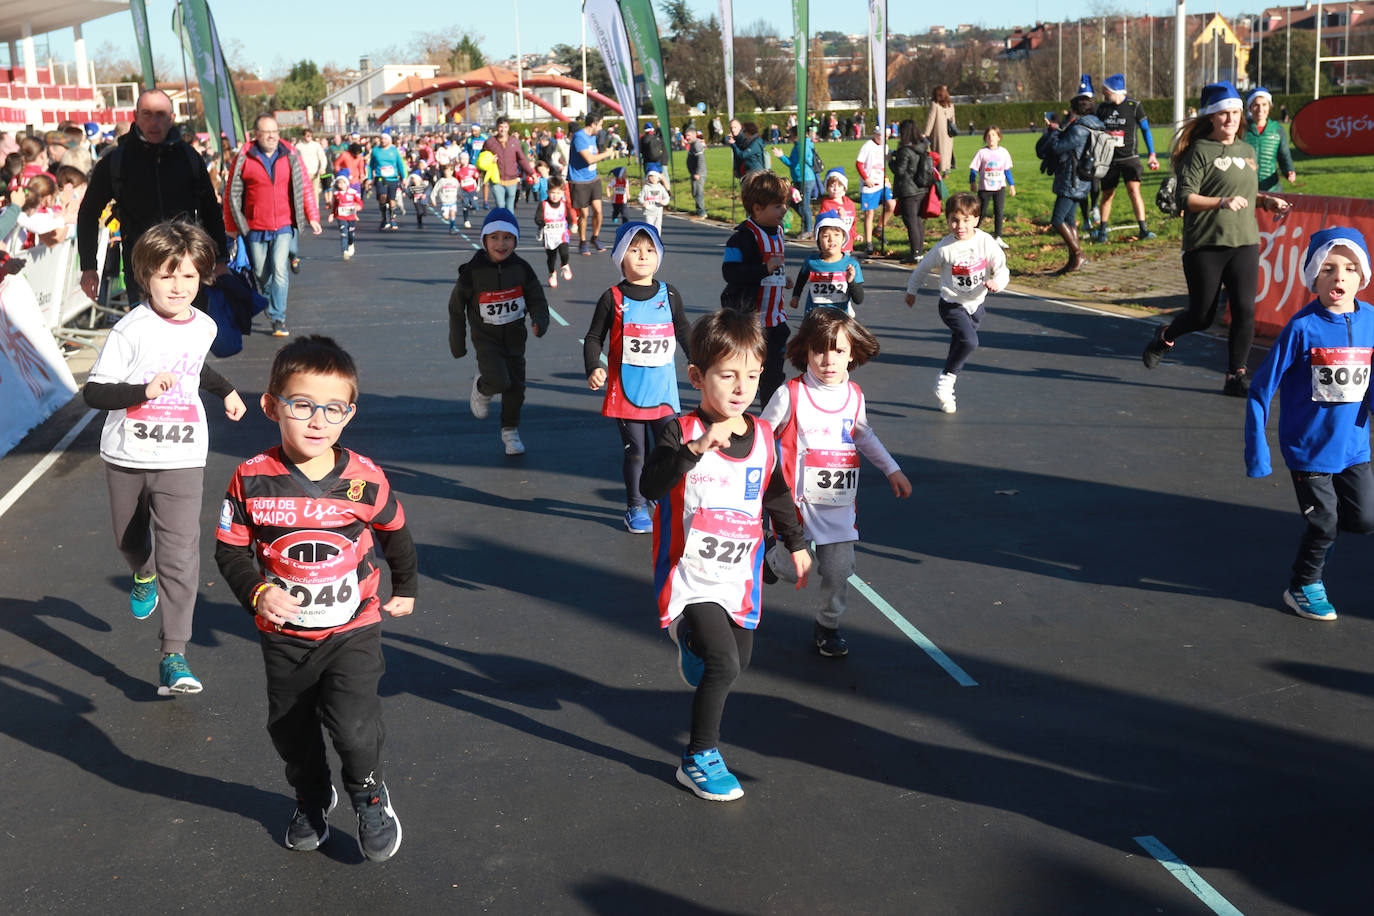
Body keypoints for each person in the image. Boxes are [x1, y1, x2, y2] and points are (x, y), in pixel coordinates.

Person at [214, 334, 417, 861]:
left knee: (352, 725)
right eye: (302, 405)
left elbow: (396, 532)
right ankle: (311, 795)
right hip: (284, 639)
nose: (317, 420)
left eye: (333, 409)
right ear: (271, 406)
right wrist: (257, 592)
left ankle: (369, 794)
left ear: (349, 414)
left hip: (354, 627)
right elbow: (230, 553)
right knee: (290, 730)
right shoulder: (250, 478)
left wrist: (407, 587)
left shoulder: (364, 479)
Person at [639, 309, 812, 802]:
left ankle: (693, 646)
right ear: (697, 376)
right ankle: (698, 757)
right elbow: (652, 484)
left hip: (738, 575)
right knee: (723, 665)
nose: (742, 387)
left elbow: (776, 493)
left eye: (753, 375)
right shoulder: (679, 430)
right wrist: (692, 450)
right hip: (689, 575)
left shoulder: (761, 437)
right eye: (728, 375)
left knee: (740, 658)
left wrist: (794, 542)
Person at [82, 221, 246, 695]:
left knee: (182, 553)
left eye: (190, 277)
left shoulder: (205, 325)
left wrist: (227, 390)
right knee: (130, 540)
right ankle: (142, 571)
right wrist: (142, 390)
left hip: (183, 453)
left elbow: (194, 366)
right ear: (145, 277)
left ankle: (174, 655)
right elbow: (94, 392)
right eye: (168, 276)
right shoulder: (130, 329)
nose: (179, 287)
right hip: (127, 454)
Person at [760, 309, 911, 655]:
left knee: (839, 569)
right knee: (788, 568)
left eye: (838, 351)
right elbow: (763, 437)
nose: (829, 359)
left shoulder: (854, 396)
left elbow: (864, 435)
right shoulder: (790, 394)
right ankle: (770, 558)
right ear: (806, 352)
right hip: (795, 506)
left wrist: (892, 469)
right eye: (819, 350)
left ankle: (828, 626)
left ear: (853, 353)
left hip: (838, 505)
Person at [1244, 228, 1374, 622]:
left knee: (1364, 519)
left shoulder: (1371, 319)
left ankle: (1325, 537)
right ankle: (1303, 586)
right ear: (1314, 276)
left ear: (1362, 277)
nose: (1340, 278)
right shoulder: (1302, 329)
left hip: (1354, 445)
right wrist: (1257, 451)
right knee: (1325, 523)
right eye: (1329, 269)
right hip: (1309, 449)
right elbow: (1261, 389)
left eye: (1350, 269)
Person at [1142, 81, 1291, 396]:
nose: (1232, 119)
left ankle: (1236, 375)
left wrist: (1266, 201)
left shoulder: (1247, 150)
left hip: (1245, 242)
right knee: (1202, 315)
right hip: (1206, 244)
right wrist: (1221, 202)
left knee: (1245, 309)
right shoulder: (1199, 151)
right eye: (1224, 114)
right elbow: (1185, 199)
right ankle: (1166, 336)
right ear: (1211, 117)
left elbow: (1246, 194)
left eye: (1236, 113)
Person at [583, 221, 692, 533]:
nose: (643, 256)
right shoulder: (613, 298)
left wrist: (697, 361)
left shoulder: (670, 294)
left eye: (649, 250)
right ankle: (636, 506)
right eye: (634, 250)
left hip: (664, 393)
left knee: (668, 451)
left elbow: (684, 330)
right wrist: (594, 367)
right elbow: (593, 338)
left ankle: (663, 498)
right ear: (620, 256)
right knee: (637, 454)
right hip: (626, 393)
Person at [77, 89, 230, 304]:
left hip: (186, 265)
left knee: (187, 333)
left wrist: (221, 259)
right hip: (141, 268)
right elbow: (88, 213)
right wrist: (89, 267)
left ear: (171, 119)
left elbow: (210, 210)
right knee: (147, 335)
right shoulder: (116, 161)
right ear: (135, 116)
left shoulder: (189, 158)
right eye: (147, 114)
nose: (154, 122)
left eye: (160, 114)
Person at [447, 208, 550, 455]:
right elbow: (456, 307)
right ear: (484, 241)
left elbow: (537, 299)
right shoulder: (474, 271)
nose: (501, 243)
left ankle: (510, 431)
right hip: (486, 339)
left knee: (516, 387)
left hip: (516, 340)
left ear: (515, 240)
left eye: (507, 237)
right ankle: (483, 386)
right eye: (494, 237)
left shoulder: (522, 269)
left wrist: (540, 320)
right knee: (499, 380)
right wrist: (457, 343)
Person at [904, 192, 1010, 414]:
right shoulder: (945, 248)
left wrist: (997, 283)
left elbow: (1002, 268)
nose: (959, 225)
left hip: (977, 304)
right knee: (970, 341)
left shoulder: (985, 242)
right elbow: (922, 268)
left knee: (960, 345)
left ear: (976, 219)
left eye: (965, 220)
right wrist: (912, 290)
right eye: (954, 219)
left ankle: (945, 384)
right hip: (952, 304)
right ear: (947, 220)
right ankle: (945, 382)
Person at [223, 115, 322, 338]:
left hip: (284, 224)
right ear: (255, 134)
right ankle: (268, 302)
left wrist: (312, 215)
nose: (272, 136)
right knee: (261, 274)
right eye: (266, 132)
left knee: (279, 271)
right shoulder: (244, 158)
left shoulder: (289, 155)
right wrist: (231, 225)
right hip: (255, 225)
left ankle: (278, 317)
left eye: (275, 131)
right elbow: (231, 194)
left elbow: (304, 186)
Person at [722, 170, 792, 410]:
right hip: (751, 320)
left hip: (776, 318)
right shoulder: (742, 238)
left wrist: (783, 278)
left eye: (785, 204)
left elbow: (774, 268)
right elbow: (730, 273)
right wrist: (763, 269)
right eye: (778, 206)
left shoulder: (779, 232)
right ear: (758, 208)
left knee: (774, 372)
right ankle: (732, 409)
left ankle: (770, 417)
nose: (784, 210)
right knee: (746, 370)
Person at [1035, 75, 1105, 274]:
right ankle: (1075, 258)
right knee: (1069, 218)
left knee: (1057, 220)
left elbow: (1057, 148)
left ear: (1076, 110)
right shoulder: (1097, 124)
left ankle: (1078, 254)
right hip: (1085, 177)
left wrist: (1055, 130)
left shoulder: (1079, 129)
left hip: (1071, 178)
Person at [1093, 74, 1158, 244]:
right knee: (1107, 194)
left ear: (1114, 91)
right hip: (1108, 160)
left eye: (1105, 91)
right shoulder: (1102, 108)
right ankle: (1102, 231)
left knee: (1134, 192)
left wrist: (1152, 154)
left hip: (1129, 158)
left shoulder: (1134, 106)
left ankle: (1143, 229)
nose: (1103, 94)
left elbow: (1146, 130)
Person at [789, 211, 864, 317]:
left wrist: (851, 281)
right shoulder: (811, 262)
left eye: (837, 235)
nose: (831, 239)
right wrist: (795, 296)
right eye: (825, 236)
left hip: (839, 318)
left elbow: (859, 299)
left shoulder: (851, 265)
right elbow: (801, 279)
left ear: (843, 238)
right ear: (818, 240)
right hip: (814, 316)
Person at [568, 112, 621, 255]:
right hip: (579, 180)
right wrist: (607, 154)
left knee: (598, 210)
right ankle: (583, 241)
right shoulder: (580, 137)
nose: (601, 128)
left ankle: (595, 237)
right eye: (600, 125)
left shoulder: (592, 137)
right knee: (584, 213)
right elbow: (589, 159)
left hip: (593, 178)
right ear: (593, 124)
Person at [889, 119, 934, 263]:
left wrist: (890, 160)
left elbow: (900, 171)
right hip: (921, 187)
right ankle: (919, 251)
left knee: (910, 221)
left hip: (908, 190)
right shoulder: (922, 147)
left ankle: (915, 253)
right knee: (917, 220)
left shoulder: (905, 150)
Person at [968, 126, 1015, 247]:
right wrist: (972, 182)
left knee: (999, 212)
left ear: (999, 137)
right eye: (988, 136)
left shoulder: (1003, 152)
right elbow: (974, 169)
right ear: (985, 139)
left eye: (994, 135)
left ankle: (998, 236)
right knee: (980, 212)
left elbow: (1007, 170)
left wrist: (1012, 185)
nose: (991, 138)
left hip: (1000, 188)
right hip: (984, 188)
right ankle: (972, 234)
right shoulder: (982, 153)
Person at [1245, 87, 1297, 192]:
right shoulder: (1241, 130)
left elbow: (1284, 156)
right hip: (1245, 190)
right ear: (1250, 108)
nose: (1260, 109)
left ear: (1269, 106)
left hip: (1271, 189)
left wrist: (1289, 171)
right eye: (1256, 105)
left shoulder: (1278, 130)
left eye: (1264, 104)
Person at [771, 129, 820, 239]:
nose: (791, 137)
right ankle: (807, 223)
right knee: (794, 202)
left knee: (804, 204)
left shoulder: (802, 146)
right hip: (800, 178)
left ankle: (808, 230)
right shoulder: (801, 145)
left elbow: (794, 164)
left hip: (806, 178)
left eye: (792, 135)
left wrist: (781, 156)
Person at [855, 123, 896, 255]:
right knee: (869, 213)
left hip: (881, 183)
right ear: (876, 134)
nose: (886, 139)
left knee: (891, 204)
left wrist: (886, 178)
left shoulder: (886, 146)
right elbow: (859, 163)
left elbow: (882, 166)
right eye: (884, 136)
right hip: (869, 185)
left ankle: (878, 228)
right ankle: (869, 243)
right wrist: (866, 178)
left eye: (888, 136)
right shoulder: (868, 146)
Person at [483, 116, 535, 211]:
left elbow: (522, 159)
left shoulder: (514, 142)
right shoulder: (490, 142)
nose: (503, 129)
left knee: (510, 207)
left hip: (512, 180)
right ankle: (501, 225)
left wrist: (532, 173)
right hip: (496, 179)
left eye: (505, 127)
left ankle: (510, 225)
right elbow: (482, 160)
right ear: (497, 127)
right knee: (500, 204)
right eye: (500, 127)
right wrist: (489, 161)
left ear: (508, 128)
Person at [533, 176, 575, 287]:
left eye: (558, 193)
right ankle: (552, 273)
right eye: (552, 193)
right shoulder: (543, 205)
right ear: (547, 192)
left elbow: (569, 217)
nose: (555, 195)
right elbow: (537, 218)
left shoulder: (564, 204)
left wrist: (573, 223)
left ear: (562, 192)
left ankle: (564, 265)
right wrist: (541, 223)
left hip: (561, 234)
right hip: (549, 236)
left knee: (564, 252)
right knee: (551, 258)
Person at [365, 131, 407, 231]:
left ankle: (392, 218)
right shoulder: (375, 150)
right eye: (381, 139)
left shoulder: (394, 150)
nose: (383, 141)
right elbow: (371, 166)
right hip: (381, 178)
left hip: (393, 178)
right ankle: (384, 218)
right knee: (382, 197)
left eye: (385, 139)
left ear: (389, 140)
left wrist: (404, 177)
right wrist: (370, 178)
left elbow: (400, 164)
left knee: (392, 200)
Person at [819, 168, 858, 254]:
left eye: (839, 186)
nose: (835, 189)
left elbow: (853, 222)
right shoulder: (826, 204)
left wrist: (855, 234)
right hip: (833, 245)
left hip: (847, 244)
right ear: (827, 188)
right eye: (832, 186)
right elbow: (822, 224)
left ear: (844, 188)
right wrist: (838, 217)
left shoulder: (850, 204)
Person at [922, 85, 956, 176]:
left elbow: (931, 119)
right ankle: (947, 169)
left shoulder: (935, 105)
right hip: (949, 133)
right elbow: (953, 119)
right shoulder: (951, 105)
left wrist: (926, 133)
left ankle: (938, 169)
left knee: (938, 151)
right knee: (947, 152)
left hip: (938, 132)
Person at [328, 174, 363, 260]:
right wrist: (332, 214)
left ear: (346, 183)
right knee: (343, 234)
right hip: (341, 217)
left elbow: (359, 202)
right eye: (339, 183)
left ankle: (350, 244)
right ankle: (345, 251)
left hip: (351, 217)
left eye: (342, 183)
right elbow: (335, 205)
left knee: (351, 234)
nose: (341, 185)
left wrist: (359, 206)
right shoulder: (336, 194)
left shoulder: (353, 192)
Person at [638, 163, 671, 233]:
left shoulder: (661, 188)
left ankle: (657, 240)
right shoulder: (646, 187)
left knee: (658, 226)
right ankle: (650, 239)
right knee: (649, 226)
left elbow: (667, 198)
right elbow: (640, 197)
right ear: (648, 178)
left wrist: (664, 202)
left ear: (658, 178)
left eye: (655, 176)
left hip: (658, 211)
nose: (653, 178)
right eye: (651, 176)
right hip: (648, 211)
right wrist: (643, 202)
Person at [429, 163, 461, 234]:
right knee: (446, 217)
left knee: (453, 214)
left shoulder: (455, 181)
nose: (447, 173)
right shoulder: (441, 181)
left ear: (452, 171)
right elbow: (435, 191)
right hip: (445, 203)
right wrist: (433, 199)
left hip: (453, 202)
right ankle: (446, 217)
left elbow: (459, 189)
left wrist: (461, 196)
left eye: (449, 171)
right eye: (446, 171)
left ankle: (451, 228)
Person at [685, 127, 708, 219]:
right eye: (686, 135)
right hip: (694, 172)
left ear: (694, 135)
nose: (687, 137)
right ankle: (699, 211)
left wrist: (697, 173)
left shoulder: (697, 145)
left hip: (698, 174)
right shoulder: (693, 144)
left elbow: (701, 160)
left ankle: (701, 212)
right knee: (695, 192)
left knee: (698, 192)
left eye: (689, 135)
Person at [455, 151, 481, 227]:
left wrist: (478, 186)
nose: (464, 160)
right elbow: (457, 180)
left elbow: (477, 177)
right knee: (465, 205)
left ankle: (473, 207)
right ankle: (466, 220)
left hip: (472, 190)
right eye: (462, 159)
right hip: (463, 190)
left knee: (474, 204)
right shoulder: (457, 169)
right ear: (459, 159)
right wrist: (458, 191)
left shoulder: (472, 168)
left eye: (465, 159)